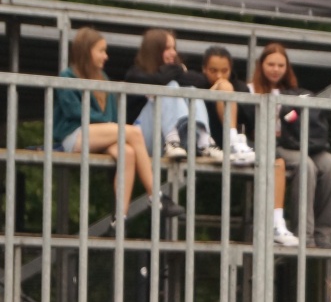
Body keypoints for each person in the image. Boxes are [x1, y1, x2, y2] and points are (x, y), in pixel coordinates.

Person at [52, 27, 184, 221]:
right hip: (74, 136)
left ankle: (119, 219)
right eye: (101, 51)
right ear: (86, 51)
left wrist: (110, 126)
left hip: (99, 136)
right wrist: (110, 125)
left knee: (128, 153)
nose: (106, 56)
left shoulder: (104, 78)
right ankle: (156, 197)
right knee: (133, 133)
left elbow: (112, 115)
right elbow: (76, 112)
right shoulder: (67, 76)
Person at [251, 42, 331, 250]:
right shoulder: (251, 91)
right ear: (261, 65)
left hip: (301, 142)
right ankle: (305, 235)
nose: (276, 69)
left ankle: (324, 233)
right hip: (271, 146)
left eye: (281, 65)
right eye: (271, 64)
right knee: (305, 165)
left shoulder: (296, 92)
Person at [124, 28, 222, 161]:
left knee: (191, 89)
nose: (174, 53)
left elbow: (201, 81)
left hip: (177, 142)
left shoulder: (174, 73)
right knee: (169, 86)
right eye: (167, 48)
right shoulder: (135, 73)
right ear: (154, 50)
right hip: (142, 140)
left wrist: (175, 72)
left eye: (174, 48)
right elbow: (158, 80)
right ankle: (172, 140)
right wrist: (178, 70)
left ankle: (204, 141)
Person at [199, 46, 256, 166]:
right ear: (204, 69)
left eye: (224, 71)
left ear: (230, 69)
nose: (219, 76)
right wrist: (210, 94)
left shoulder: (241, 88)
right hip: (203, 145)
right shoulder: (196, 82)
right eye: (213, 71)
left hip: (239, 148)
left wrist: (226, 93)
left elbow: (250, 121)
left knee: (225, 87)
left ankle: (233, 140)